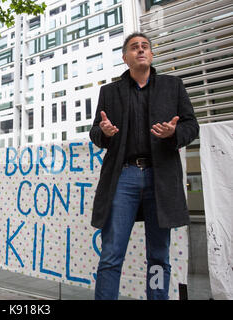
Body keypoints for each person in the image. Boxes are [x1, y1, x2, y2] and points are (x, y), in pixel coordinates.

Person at [89, 32, 199, 300]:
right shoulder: (109, 92)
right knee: (111, 253)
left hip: (160, 178)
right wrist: (105, 132)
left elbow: (191, 125)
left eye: (145, 46)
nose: (140, 50)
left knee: (159, 255)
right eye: (134, 47)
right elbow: (95, 132)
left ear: (151, 54)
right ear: (125, 58)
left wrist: (173, 133)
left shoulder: (173, 86)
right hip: (122, 177)